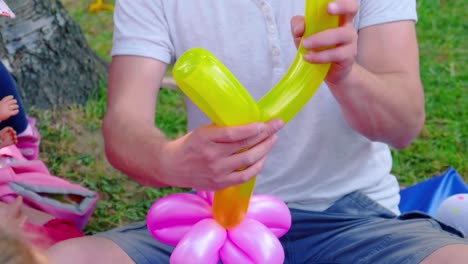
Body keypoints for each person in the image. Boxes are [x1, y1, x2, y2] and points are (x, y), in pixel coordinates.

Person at [48, 0, 468, 263]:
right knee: (63, 259)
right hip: (215, 226)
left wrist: (346, 76)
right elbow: (124, 126)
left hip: (353, 222)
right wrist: (171, 160)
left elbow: (403, 125)